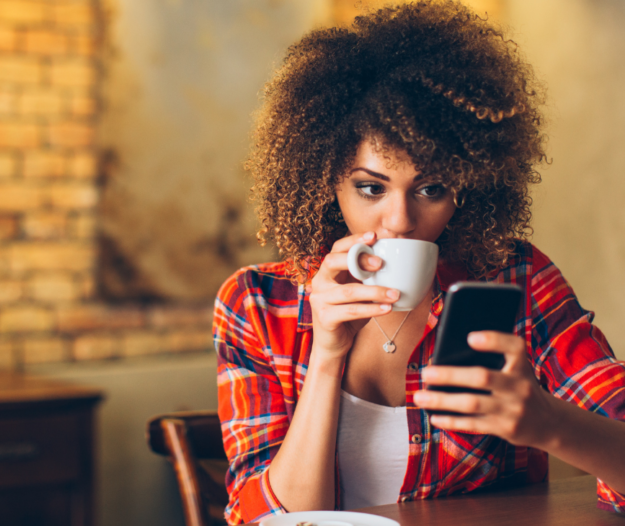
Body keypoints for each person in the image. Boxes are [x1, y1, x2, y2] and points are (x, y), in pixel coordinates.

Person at [212, 1, 625, 524]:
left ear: (468, 189)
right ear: (324, 179)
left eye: (431, 188)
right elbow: (266, 518)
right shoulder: (255, 304)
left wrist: (548, 422)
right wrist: (325, 356)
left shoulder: (511, 277)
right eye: (370, 188)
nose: (400, 219)